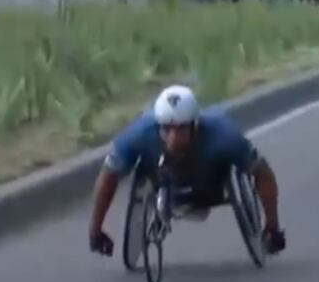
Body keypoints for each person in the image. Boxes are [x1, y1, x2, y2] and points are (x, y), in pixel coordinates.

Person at [88, 85, 286, 258]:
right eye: (167, 129)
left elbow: (262, 173)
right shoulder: (137, 135)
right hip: (161, 179)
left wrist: (272, 227)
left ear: (195, 125)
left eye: (181, 129)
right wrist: (95, 230)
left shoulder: (224, 135)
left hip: (209, 184)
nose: (173, 138)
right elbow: (108, 177)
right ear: (158, 126)